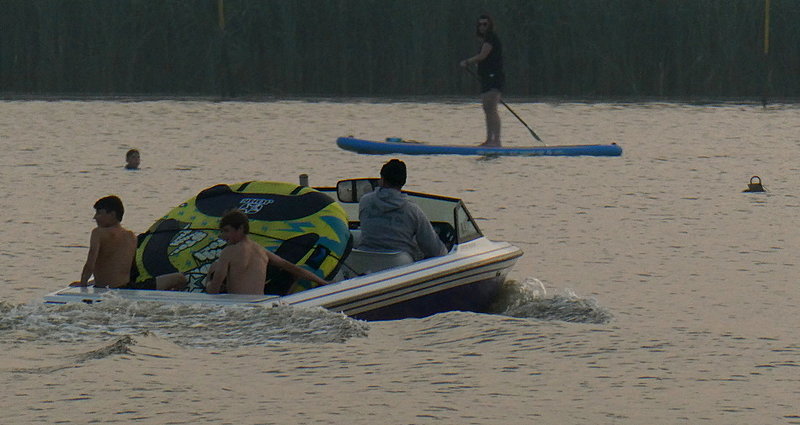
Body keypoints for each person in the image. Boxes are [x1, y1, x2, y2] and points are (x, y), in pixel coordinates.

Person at [70, 195, 186, 290]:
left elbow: (91, 262)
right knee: (179, 278)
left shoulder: (98, 233)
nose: (95, 217)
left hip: (110, 290)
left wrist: (83, 284)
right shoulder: (131, 236)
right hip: (128, 288)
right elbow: (128, 270)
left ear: (112, 214)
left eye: (99, 213)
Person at [204, 210, 329, 295]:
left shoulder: (228, 252)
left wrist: (208, 283)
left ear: (241, 228)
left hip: (238, 305)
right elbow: (294, 268)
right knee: (291, 273)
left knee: (214, 267)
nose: (223, 236)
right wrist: (323, 282)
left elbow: (214, 289)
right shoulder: (261, 251)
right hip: (260, 303)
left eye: (226, 231)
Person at [356, 159, 447, 261]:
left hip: (364, 266)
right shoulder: (412, 210)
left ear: (382, 180)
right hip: (400, 270)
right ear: (403, 182)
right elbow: (435, 250)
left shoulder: (365, 201)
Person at [460, 14, 505, 147]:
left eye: (485, 24)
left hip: (494, 77)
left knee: (492, 108)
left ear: (490, 25)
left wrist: (467, 62)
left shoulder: (491, 37)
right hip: (486, 78)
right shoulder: (485, 39)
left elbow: (483, 55)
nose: (482, 27)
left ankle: (496, 141)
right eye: (480, 24)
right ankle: (488, 140)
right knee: (487, 109)